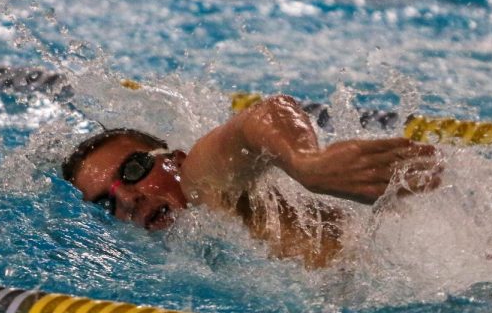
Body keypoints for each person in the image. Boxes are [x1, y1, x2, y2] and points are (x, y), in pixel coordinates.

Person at [62, 95, 442, 268]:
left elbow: (261, 117)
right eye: (106, 202)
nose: (128, 199)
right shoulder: (184, 256)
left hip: (433, 264)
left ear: (173, 159)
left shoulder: (200, 183)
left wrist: (307, 163)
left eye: (132, 170)